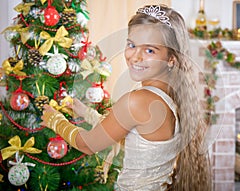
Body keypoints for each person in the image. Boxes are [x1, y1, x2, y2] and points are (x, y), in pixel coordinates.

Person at [41, 4, 212, 191]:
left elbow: (87, 144)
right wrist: (87, 113)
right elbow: (129, 134)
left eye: (150, 50)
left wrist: (55, 120)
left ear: (171, 58)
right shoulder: (172, 97)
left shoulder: (139, 101)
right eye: (131, 45)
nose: (135, 56)